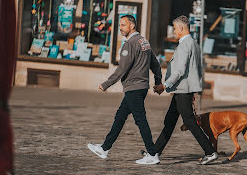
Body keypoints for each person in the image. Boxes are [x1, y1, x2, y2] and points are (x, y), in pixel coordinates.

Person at [87, 15, 162, 165]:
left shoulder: (130, 44)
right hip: (139, 88)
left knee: (140, 120)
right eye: (120, 25)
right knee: (120, 117)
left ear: (132, 26)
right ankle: (104, 148)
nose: (120, 28)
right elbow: (155, 64)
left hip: (134, 88)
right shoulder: (143, 41)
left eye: (123, 25)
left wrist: (107, 84)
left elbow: (122, 68)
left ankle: (152, 154)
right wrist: (158, 81)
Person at [152, 15, 218, 165]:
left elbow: (179, 71)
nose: (174, 32)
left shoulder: (184, 45)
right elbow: (196, 70)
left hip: (183, 90)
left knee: (190, 122)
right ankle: (154, 151)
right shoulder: (194, 44)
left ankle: (210, 152)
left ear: (181, 28)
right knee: (170, 121)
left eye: (175, 29)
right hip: (183, 89)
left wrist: (164, 85)